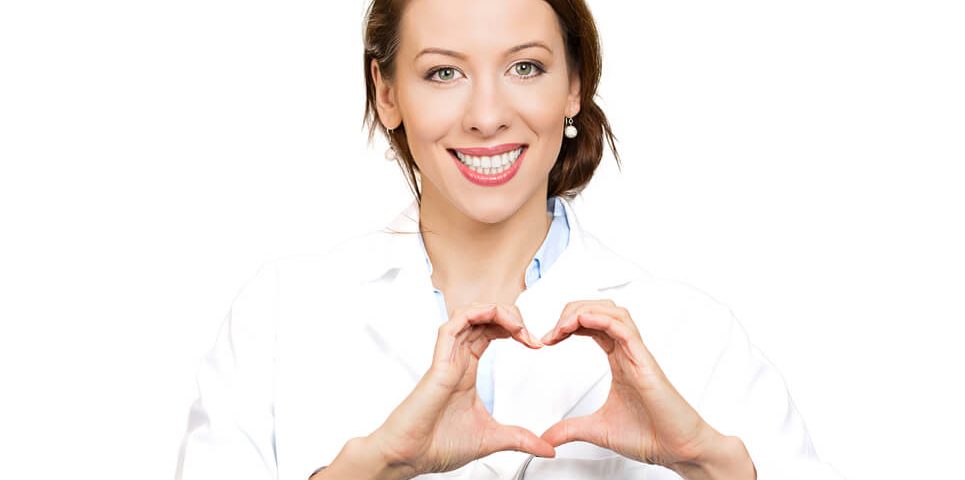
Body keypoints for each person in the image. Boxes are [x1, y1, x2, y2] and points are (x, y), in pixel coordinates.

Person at [176, 0, 843, 479]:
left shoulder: (695, 335)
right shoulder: (277, 315)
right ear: (386, 92)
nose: (488, 116)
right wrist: (371, 469)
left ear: (575, 84)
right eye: (444, 73)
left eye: (525, 67)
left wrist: (708, 463)